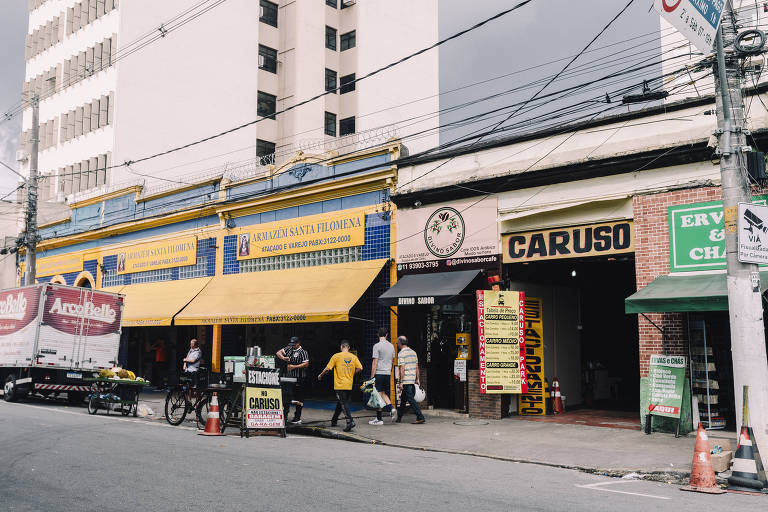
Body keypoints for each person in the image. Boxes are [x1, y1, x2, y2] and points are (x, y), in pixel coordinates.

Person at [318, 340, 362, 432]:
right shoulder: (353, 357)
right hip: (349, 384)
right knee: (341, 402)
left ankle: (350, 421)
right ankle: (334, 420)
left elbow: (327, 369)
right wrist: (352, 373)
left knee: (343, 403)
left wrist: (321, 375)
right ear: (348, 348)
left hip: (340, 385)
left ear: (341, 347)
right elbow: (360, 368)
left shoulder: (336, 356)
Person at [276, 336, 309, 424]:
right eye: (292, 344)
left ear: (298, 343)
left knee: (299, 398)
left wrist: (294, 367)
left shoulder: (303, 352)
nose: (293, 346)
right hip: (289, 378)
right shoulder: (289, 348)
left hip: (299, 378)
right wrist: (283, 358)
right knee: (287, 397)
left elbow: (306, 364)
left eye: (294, 344)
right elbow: (278, 352)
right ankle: (285, 416)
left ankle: (297, 417)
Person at [369, 327, 396, 425]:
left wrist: (372, 377)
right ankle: (392, 409)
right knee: (383, 393)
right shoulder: (392, 346)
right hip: (387, 373)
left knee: (378, 395)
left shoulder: (376, 346)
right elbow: (392, 361)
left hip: (379, 373)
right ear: (386, 335)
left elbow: (375, 362)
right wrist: (389, 371)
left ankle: (379, 419)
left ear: (378, 335)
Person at [396, 336, 425, 424]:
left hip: (406, 381)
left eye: (397, 343)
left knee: (411, 400)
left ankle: (420, 416)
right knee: (404, 400)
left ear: (400, 343)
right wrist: (418, 379)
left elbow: (402, 369)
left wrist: (401, 382)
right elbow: (416, 367)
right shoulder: (413, 352)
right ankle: (399, 418)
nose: (397, 344)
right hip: (412, 380)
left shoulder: (401, 353)